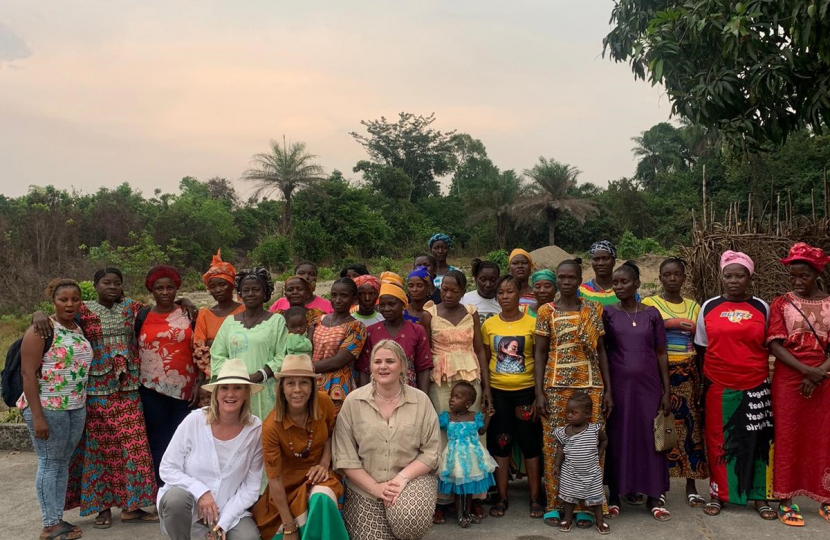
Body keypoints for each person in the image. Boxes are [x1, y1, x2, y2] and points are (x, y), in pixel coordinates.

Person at [63, 268, 158, 528]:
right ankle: (102, 508)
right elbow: (58, 320)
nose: (112, 287)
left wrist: (185, 302)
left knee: (134, 447)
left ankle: (132, 506)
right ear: (95, 285)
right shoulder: (82, 309)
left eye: (117, 283)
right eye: (107, 283)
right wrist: (39, 316)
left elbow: (161, 307)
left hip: (128, 388)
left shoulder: (132, 307)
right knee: (99, 450)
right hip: (96, 390)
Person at [694, 251, 775, 520]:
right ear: (721, 277)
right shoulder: (709, 307)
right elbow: (702, 349)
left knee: (757, 440)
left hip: (755, 384)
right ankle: (718, 494)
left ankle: (759, 497)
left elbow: (770, 345)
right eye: (728, 276)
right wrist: (705, 383)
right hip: (718, 386)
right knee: (720, 441)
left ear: (749, 277)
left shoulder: (763, 307)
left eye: (740, 276)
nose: (733, 281)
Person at [334, 340, 441, 540]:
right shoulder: (353, 401)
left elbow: (431, 452)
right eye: (378, 362)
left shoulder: (421, 401)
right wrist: (376, 488)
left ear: (402, 366)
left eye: (390, 361)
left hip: (410, 481)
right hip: (366, 487)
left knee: (409, 520)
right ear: (371, 366)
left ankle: (405, 527)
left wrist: (400, 480)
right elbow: (345, 457)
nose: (383, 367)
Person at [534, 258, 612, 528]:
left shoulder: (593, 309)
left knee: (589, 450)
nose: (566, 282)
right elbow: (540, 352)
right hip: (555, 388)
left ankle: (586, 506)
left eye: (571, 277)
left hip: (590, 387)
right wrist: (539, 393)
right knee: (555, 445)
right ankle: (554, 503)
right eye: (562, 277)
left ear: (580, 280)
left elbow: (601, 351)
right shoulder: (546, 311)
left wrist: (608, 391)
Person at [157, 359, 263, 540]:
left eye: (237, 388)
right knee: (175, 499)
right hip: (189, 506)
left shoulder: (255, 429)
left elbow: (251, 486)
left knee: (249, 538)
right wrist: (201, 492)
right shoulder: (195, 421)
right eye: (224, 388)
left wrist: (224, 521)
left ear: (246, 393)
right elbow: (167, 467)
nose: (230, 394)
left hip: (227, 508)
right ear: (216, 392)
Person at [19, 279, 92, 540]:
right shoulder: (41, 330)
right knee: (50, 463)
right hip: (48, 407)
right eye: (63, 299)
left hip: (74, 406)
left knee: (62, 463)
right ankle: (49, 525)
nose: (69, 304)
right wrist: (37, 416)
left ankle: (56, 518)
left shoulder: (78, 327)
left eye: (75, 299)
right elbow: (28, 374)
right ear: (54, 302)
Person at [766, 243, 830, 526]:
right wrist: (807, 371)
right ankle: (786, 499)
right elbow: (775, 344)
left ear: (816, 274)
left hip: (824, 378)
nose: (797, 282)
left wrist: (819, 373)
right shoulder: (781, 303)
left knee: (822, 436)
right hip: (789, 377)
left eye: (804, 276)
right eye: (793, 276)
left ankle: (824, 497)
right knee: (788, 435)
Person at [251, 354, 348, 540]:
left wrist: (324, 463)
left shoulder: (324, 403)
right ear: (282, 388)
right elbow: (275, 479)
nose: (297, 390)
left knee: (323, 498)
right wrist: (289, 526)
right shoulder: (271, 426)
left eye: (304, 383)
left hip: (319, 477)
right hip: (286, 488)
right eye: (290, 383)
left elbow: (329, 435)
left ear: (312, 386)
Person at [419, 269, 490, 523]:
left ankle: (472, 498)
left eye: (454, 290)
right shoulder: (430, 314)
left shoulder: (472, 313)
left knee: (473, 441)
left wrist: (487, 388)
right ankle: (441, 499)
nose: (448, 294)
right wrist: (424, 391)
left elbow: (480, 350)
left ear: (463, 290)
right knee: (442, 439)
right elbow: (424, 356)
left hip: (471, 380)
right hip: (441, 383)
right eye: (445, 289)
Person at [603, 261, 671, 521]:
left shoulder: (652, 314)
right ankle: (615, 494)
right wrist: (607, 389)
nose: (618, 286)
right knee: (618, 436)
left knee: (650, 438)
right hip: (619, 387)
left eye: (624, 282)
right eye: (616, 283)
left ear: (637, 284)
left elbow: (661, 352)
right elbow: (603, 352)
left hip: (649, 387)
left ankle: (654, 496)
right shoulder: (608, 313)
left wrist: (666, 390)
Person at [641, 257, 708, 506]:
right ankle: (659, 487)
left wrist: (701, 379)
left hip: (688, 372)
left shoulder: (695, 307)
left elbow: (700, 346)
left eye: (677, 274)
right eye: (667, 275)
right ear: (659, 278)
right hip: (658, 372)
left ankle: (691, 485)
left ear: (683, 277)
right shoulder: (649, 304)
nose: (672, 279)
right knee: (659, 428)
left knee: (690, 430)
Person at [481, 275, 543, 519]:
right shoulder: (489, 325)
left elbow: (539, 359)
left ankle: (535, 497)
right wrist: (486, 390)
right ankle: (502, 497)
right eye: (501, 293)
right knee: (501, 443)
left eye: (509, 291)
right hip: (499, 393)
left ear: (520, 294)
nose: (505, 296)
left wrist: (539, 392)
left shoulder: (532, 323)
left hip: (526, 391)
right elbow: (485, 360)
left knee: (530, 443)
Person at [139, 265, 199, 489]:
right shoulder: (141, 315)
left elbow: (200, 348)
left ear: (177, 289)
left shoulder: (189, 313)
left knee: (186, 442)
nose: (165, 292)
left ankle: (188, 489)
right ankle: (162, 489)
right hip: (151, 390)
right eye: (159, 288)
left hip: (186, 390)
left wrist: (200, 382)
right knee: (158, 441)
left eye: (170, 288)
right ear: (151, 290)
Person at [210, 267, 288, 422]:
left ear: (266, 293)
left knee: (266, 432)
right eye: (246, 290)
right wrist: (235, 377)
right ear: (240, 294)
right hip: (236, 390)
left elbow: (283, 354)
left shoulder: (277, 321)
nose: (251, 294)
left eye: (256, 289)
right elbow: (217, 354)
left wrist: (261, 374)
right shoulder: (230, 323)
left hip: (267, 389)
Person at [357, 278, 433, 394]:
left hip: (409, 392)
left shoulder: (417, 330)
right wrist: (364, 396)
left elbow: (423, 368)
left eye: (392, 304)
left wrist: (424, 398)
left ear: (403, 305)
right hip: (377, 393)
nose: (386, 309)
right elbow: (364, 369)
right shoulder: (371, 331)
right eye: (382, 305)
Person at [437, 381, 497, 528]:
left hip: (472, 457)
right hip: (455, 458)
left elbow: (481, 432)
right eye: (451, 396)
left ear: (468, 403)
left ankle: (468, 512)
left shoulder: (474, 416)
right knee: (459, 490)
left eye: (457, 397)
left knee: (469, 489)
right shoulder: (447, 417)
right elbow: (434, 426)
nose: (452, 399)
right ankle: (459, 515)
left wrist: (488, 417)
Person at [553, 392, 609, 535]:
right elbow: (560, 449)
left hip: (591, 473)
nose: (569, 415)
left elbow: (604, 440)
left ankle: (600, 521)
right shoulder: (563, 432)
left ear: (586, 413)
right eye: (568, 412)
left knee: (596, 498)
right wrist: (557, 466)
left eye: (574, 412)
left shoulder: (594, 430)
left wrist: (600, 452)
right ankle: (567, 519)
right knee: (569, 498)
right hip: (570, 472)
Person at [311, 277, 366, 411]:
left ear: (354, 299)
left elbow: (338, 361)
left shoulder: (357, 327)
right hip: (311, 382)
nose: (338, 300)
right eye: (334, 295)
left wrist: (303, 368)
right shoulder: (318, 320)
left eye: (344, 296)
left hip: (337, 387)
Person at [193, 250, 244, 378]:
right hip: (213, 375)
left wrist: (213, 343)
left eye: (222, 284)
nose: (218, 290)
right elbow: (199, 350)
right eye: (213, 287)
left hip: (244, 373)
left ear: (232, 286)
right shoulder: (204, 314)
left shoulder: (245, 310)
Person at [580, 240, 639, 306]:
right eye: (596, 259)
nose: (600, 263)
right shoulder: (582, 290)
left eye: (605, 258)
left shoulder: (627, 290)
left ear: (614, 261)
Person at [461, 259, 501, 325]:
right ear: (475, 278)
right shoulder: (465, 299)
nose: (488, 284)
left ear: (499, 279)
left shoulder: (503, 301)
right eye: (483, 280)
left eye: (493, 280)